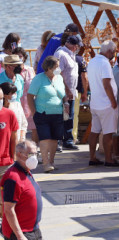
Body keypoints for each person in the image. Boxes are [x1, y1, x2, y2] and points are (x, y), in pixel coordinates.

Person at [28, 56, 68, 173]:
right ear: (49, 68)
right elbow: (30, 96)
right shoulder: (38, 79)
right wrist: (34, 112)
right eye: (56, 67)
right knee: (45, 138)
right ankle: (46, 163)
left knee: (55, 139)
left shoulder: (59, 78)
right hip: (42, 113)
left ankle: (52, 161)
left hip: (57, 112)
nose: (58, 69)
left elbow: (63, 93)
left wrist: (65, 102)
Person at [87, 40, 119, 167]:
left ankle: (92, 157)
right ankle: (109, 159)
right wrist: (113, 102)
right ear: (109, 52)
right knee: (108, 132)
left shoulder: (92, 61)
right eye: (114, 52)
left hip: (95, 102)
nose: (114, 55)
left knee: (94, 131)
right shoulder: (104, 63)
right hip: (106, 104)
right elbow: (106, 84)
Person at [1, 140, 43, 240]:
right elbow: (9, 210)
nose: (34, 158)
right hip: (21, 233)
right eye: (31, 154)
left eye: (36, 154)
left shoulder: (26, 171)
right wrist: (20, 236)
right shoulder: (13, 178)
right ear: (19, 154)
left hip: (33, 230)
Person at [54, 35, 81, 150]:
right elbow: (57, 74)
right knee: (60, 117)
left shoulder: (71, 55)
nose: (77, 48)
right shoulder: (61, 54)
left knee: (69, 117)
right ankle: (58, 142)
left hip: (71, 92)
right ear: (71, 45)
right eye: (76, 46)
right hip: (63, 93)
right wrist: (66, 90)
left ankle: (68, 140)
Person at [12, 47, 37, 143]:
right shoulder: (11, 71)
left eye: (20, 56)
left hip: (29, 103)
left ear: (24, 57)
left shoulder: (30, 69)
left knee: (34, 127)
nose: (18, 58)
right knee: (18, 128)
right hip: (17, 103)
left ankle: (34, 150)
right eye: (16, 56)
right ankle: (19, 151)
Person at [0, 87, 18, 217]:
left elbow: (13, 138)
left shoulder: (9, 114)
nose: (1, 101)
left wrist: (14, 158)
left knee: (5, 199)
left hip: (4, 163)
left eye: (1, 98)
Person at [72, 54, 88, 144]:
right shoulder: (80, 59)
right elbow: (84, 77)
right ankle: (73, 137)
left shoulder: (59, 55)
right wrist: (85, 92)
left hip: (61, 90)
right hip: (76, 90)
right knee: (74, 115)